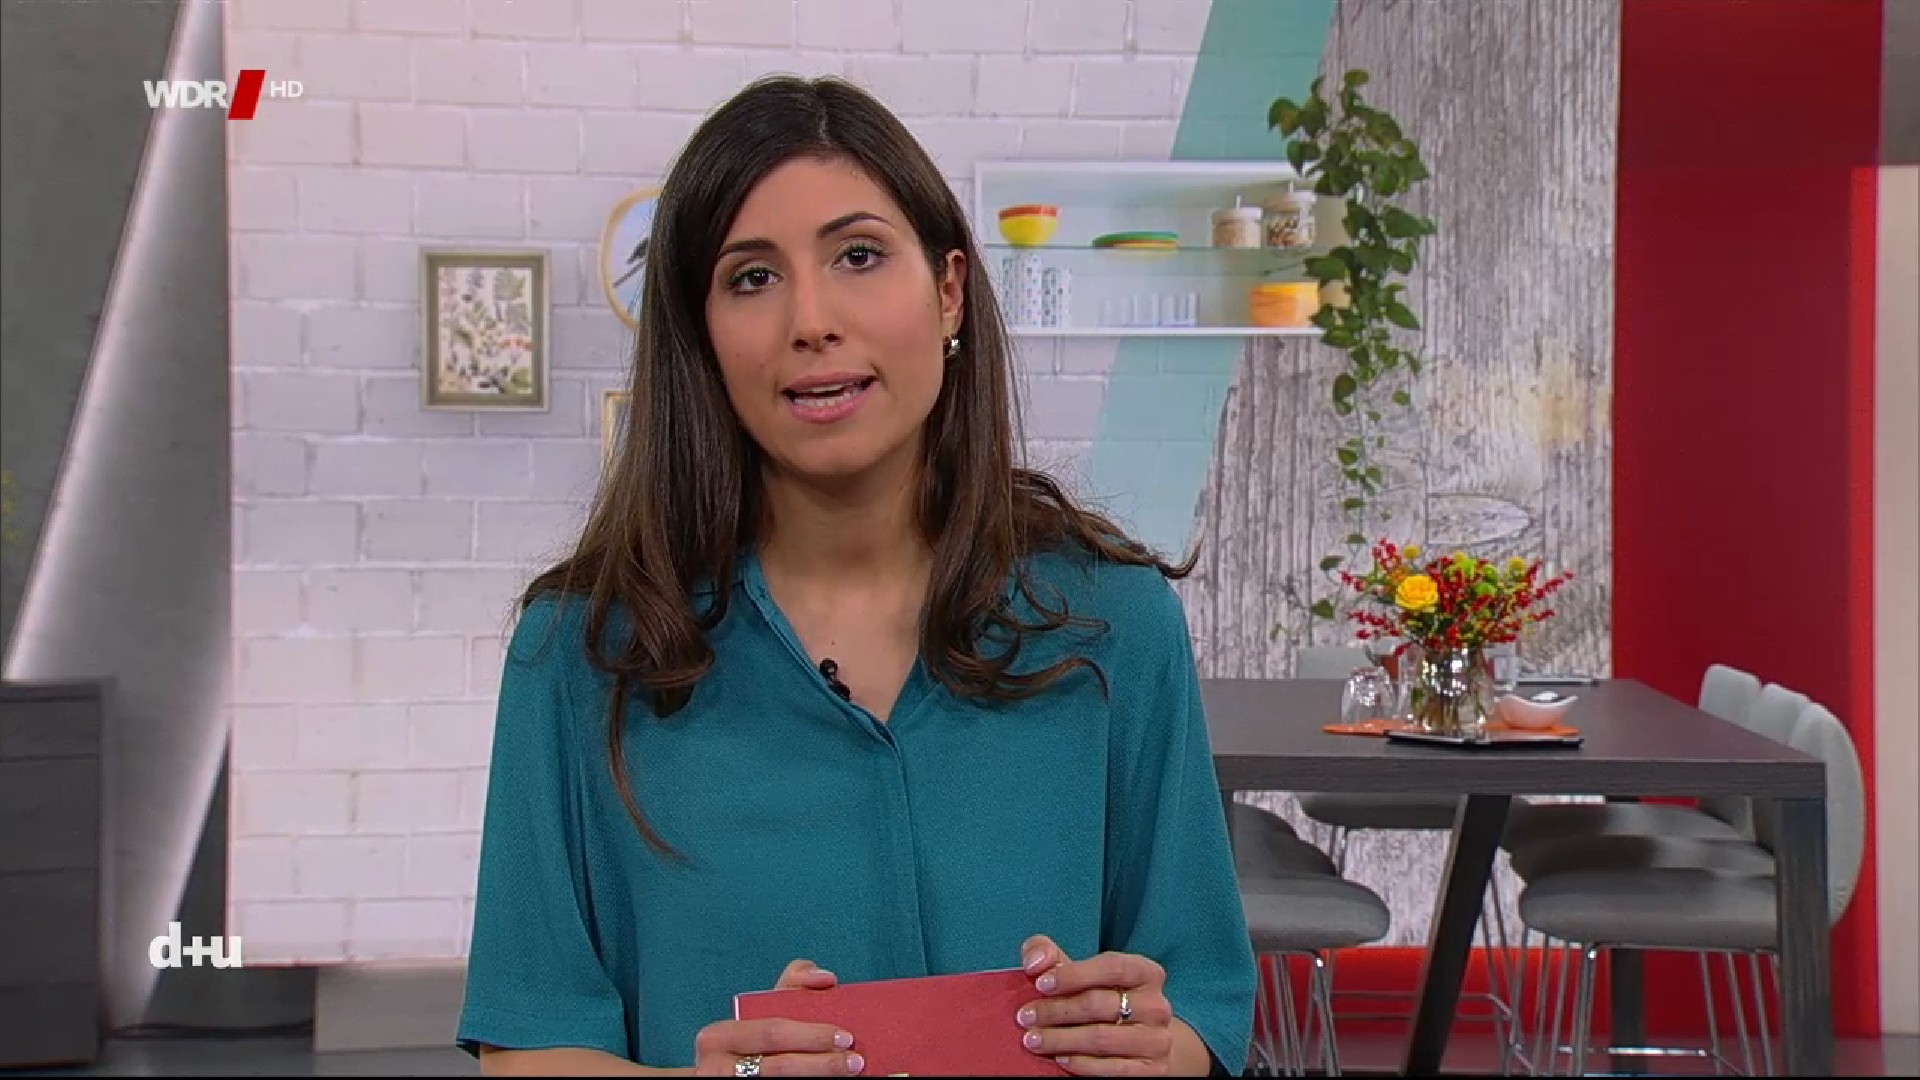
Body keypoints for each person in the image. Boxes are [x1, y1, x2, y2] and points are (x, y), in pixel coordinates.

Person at [456, 73, 1257, 1078]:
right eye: (752, 277)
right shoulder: (581, 650)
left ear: (949, 289)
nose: (812, 319)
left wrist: (1142, 1043)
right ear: (701, 333)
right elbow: (529, 1047)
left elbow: (1200, 1016)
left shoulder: (1114, 623)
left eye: (859, 256)